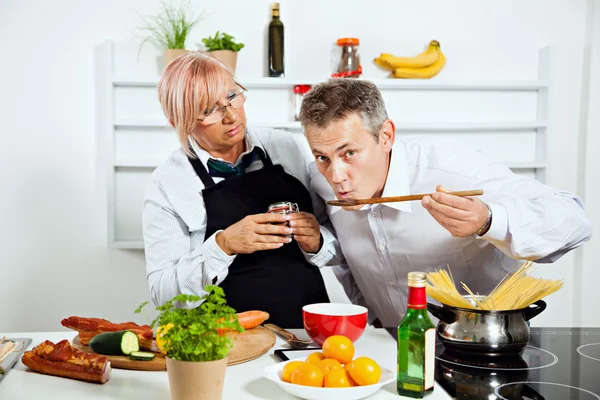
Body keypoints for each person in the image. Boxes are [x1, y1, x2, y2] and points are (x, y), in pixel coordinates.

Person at [298, 79, 592, 328]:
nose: (336, 176)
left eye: (349, 153)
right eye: (322, 156)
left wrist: (489, 221)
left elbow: (574, 219)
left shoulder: (454, 168)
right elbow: (351, 254)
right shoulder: (320, 180)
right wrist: (373, 317)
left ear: (386, 136)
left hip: (480, 343)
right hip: (393, 346)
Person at [142, 52, 333, 328]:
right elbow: (163, 294)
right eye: (209, 110)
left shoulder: (286, 146)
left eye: (232, 97)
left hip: (307, 334)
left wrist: (317, 241)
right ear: (178, 121)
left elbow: (336, 240)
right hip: (223, 343)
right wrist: (224, 245)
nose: (231, 116)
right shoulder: (168, 183)